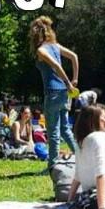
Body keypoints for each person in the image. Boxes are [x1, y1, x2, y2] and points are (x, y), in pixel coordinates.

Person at [30, 16, 79, 170]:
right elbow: (74, 57)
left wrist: (69, 83)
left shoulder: (41, 50)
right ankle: (82, 158)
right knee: (64, 129)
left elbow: (57, 66)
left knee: (53, 132)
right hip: (63, 94)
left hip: (53, 93)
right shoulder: (56, 46)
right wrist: (75, 79)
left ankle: (52, 166)